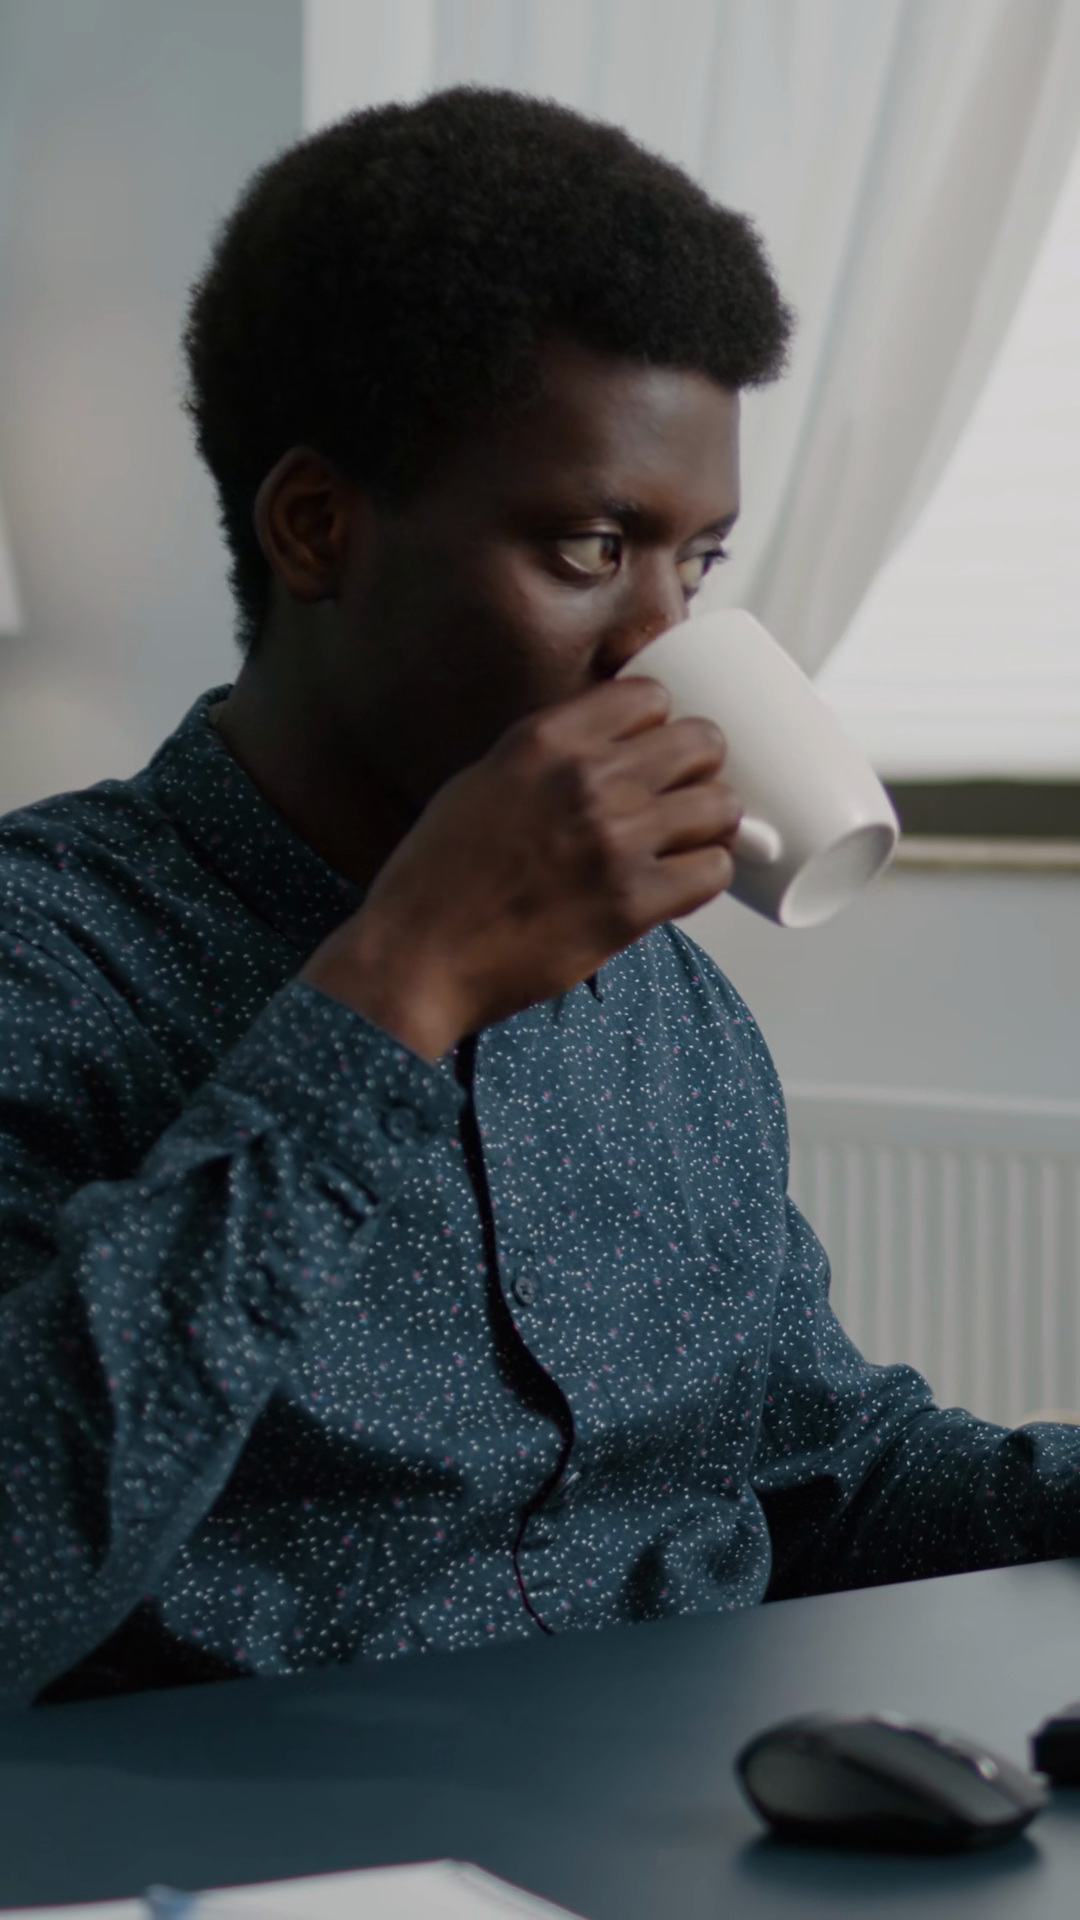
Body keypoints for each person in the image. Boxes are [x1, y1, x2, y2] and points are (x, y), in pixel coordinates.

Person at [1, 88, 1077, 1708]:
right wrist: (399, 988)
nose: (661, 648)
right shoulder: (46, 958)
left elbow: (817, 1475)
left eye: (697, 565)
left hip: (695, 1809)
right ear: (317, 529)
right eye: (588, 547)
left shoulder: (666, 1008)